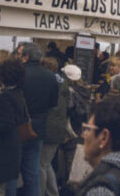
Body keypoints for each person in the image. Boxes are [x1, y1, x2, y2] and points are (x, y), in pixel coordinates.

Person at [15, 42, 58, 196]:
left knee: (13, 170)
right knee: (32, 171)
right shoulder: (51, 76)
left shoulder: (18, 74)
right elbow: (53, 103)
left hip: (18, 127)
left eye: (20, 55)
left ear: (25, 57)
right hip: (38, 129)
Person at [0, 59, 29, 196]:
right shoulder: (18, 94)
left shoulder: (5, 97)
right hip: (11, 148)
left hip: (1, 150)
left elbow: (6, 124)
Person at [41, 57, 70, 196]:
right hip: (58, 128)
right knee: (46, 164)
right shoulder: (63, 83)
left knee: (41, 165)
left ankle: (40, 192)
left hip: (48, 128)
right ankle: (52, 192)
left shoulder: (48, 83)